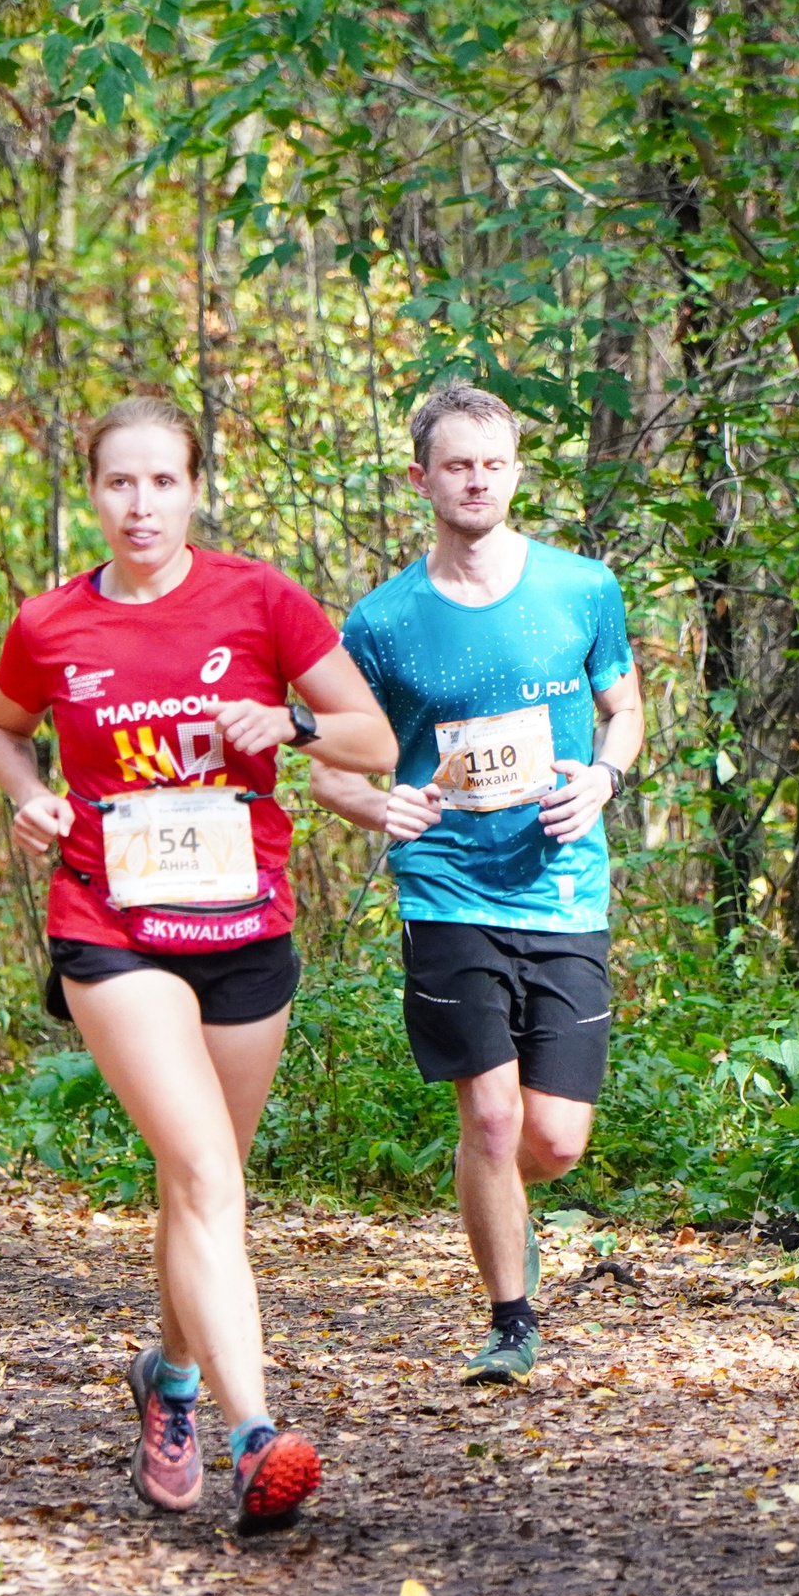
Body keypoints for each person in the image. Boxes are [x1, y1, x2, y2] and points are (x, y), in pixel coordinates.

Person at [0, 394, 397, 1532]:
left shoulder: (258, 598)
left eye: (162, 481)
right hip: (110, 930)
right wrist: (30, 799)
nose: (141, 504)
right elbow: (0, 726)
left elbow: (375, 740)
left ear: (194, 487)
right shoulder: (51, 621)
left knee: (196, 1188)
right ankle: (255, 1434)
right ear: (92, 492)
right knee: (210, 1179)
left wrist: (292, 728)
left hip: (246, 929)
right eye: (120, 482)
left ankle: (167, 1381)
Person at [312, 381, 643, 1386]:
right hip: (445, 889)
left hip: (562, 889)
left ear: (516, 474)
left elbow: (624, 713)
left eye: (493, 464)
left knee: (551, 1141)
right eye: (456, 464)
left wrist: (601, 777)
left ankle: (501, 1204)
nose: (476, 480)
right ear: (422, 478)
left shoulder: (582, 590)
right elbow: (331, 766)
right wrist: (382, 807)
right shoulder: (380, 623)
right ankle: (511, 1321)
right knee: (490, 1121)